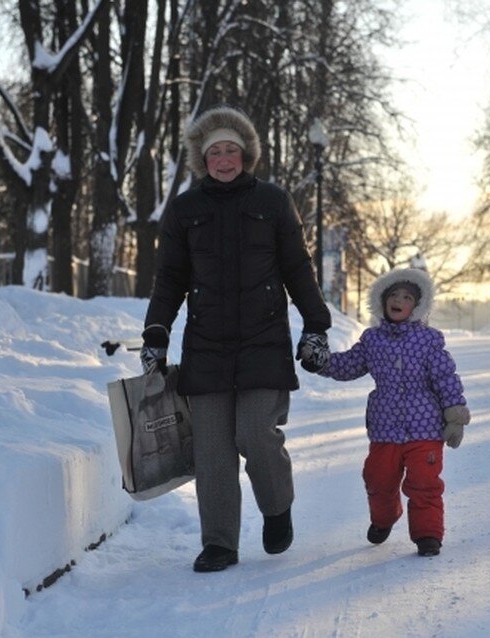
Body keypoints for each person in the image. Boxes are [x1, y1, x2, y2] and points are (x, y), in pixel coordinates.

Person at [141, 104, 331, 573]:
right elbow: (170, 278)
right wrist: (156, 332)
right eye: (214, 153)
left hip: (263, 339)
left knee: (254, 433)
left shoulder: (272, 201)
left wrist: (316, 324)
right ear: (202, 160)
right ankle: (219, 543)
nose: (223, 159)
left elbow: (296, 267)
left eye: (231, 150)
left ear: (246, 155)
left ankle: (276, 504)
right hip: (206, 344)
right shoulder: (185, 210)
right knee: (211, 449)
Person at [298, 268, 469, 557]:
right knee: (378, 478)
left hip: (425, 428)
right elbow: (349, 365)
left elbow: (445, 377)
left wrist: (454, 415)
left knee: (424, 482)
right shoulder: (372, 340)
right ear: (382, 301)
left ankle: (427, 534)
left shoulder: (429, 341)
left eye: (406, 297)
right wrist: (321, 361)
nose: (398, 300)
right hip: (385, 427)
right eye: (393, 295)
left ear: (417, 306)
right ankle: (384, 518)